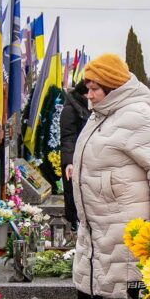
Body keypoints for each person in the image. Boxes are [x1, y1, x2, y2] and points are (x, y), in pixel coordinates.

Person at [72, 53, 150, 299]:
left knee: (140, 290)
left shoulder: (138, 116)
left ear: (112, 86)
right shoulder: (101, 115)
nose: (89, 95)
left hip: (127, 227)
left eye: (94, 88)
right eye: (88, 88)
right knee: (89, 285)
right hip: (96, 225)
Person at [60, 80, 90, 229]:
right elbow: (68, 137)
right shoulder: (70, 110)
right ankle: (74, 227)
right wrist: (69, 162)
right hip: (75, 161)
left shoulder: (85, 107)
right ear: (83, 94)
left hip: (88, 160)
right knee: (74, 199)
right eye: (89, 93)